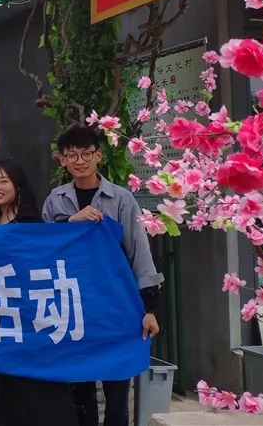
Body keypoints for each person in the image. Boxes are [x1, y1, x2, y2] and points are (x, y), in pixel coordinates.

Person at [42, 126, 164, 426]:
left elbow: (139, 252)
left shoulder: (121, 199)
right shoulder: (55, 200)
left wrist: (149, 308)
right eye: (72, 155)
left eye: (86, 154)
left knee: (117, 393)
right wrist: (71, 222)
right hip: (75, 308)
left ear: (98, 155)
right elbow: (44, 248)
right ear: (62, 160)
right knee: (80, 393)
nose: (80, 161)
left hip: (116, 307)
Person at [0, 159, 77, 426]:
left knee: (28, 393)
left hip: (28, 318)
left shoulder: (33, 222)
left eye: (4, 181)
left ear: (18, 185)